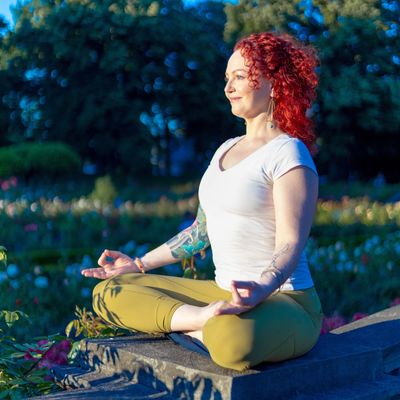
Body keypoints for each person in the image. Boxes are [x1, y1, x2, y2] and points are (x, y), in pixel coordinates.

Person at [82, 31, 324, 372]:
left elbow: (290, 244)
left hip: (284, 300)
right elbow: (201, 230)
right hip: (221, 293)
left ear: (275, 83)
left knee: (230, 341)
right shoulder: (224, 149)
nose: (228, 87)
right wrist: (136, 265)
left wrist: (260, 288)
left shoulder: (288, 153)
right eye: (227, 78)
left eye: (240, 76)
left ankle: (199, 328)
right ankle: (199, 321)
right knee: (110, 291)